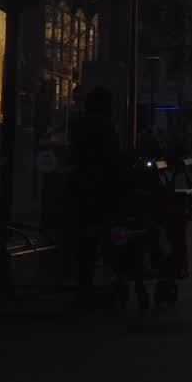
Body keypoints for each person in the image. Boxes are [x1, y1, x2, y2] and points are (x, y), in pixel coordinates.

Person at [68, 86, 123, 310]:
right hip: (103, 188)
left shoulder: (78, 124)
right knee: (106, 235)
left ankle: (84, 283)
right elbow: (114, 157)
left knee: (86, 238)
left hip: (82, 186)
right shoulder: (107, 126)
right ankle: (108, 279)